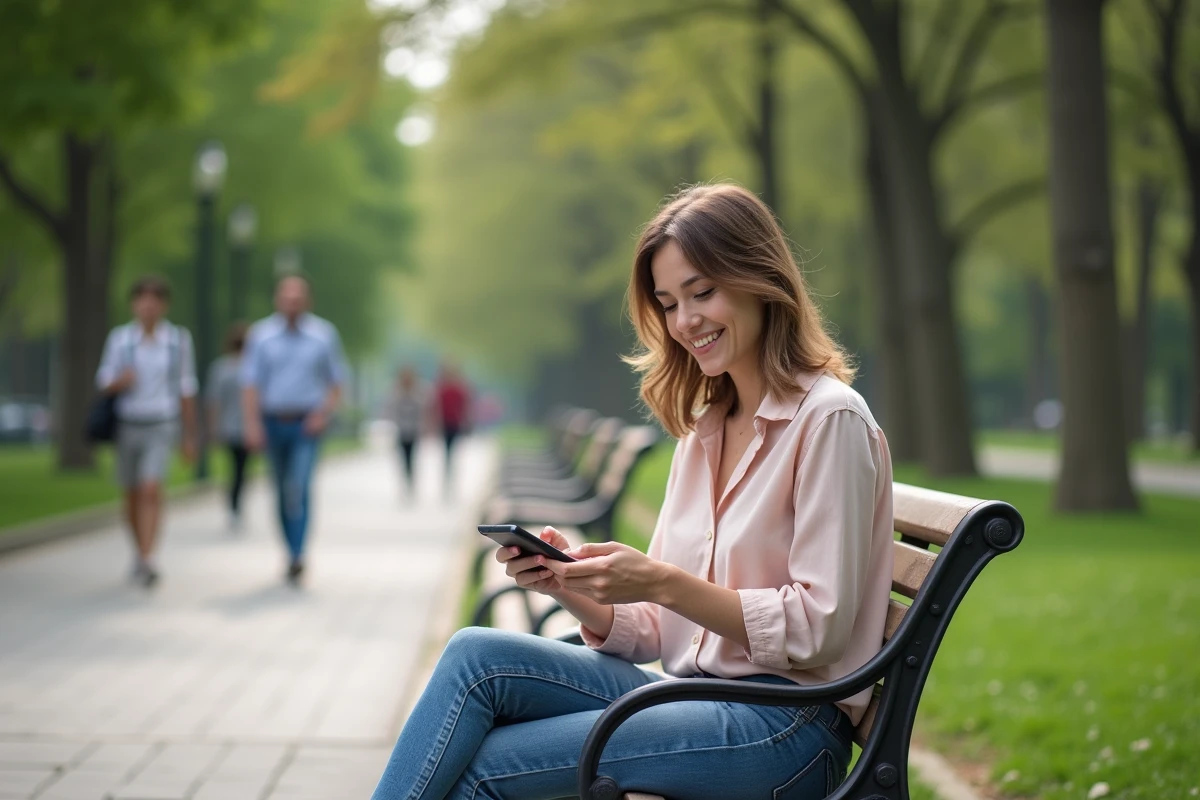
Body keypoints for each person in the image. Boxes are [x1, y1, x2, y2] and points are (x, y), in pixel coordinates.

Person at [370, 184, 895, 800]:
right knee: (473, 659)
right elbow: (659, 630)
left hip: (784, 726)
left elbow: (818, 629)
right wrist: (570, 585)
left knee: (483, 767)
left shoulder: (830, 420)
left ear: (759, 278)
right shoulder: (706, 430)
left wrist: (659, 581)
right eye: (670, 303)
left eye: (703, 292)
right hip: (697, 697)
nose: (686, 321)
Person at [241, 275, 347, 585]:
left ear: (307, 301)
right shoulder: (260, 336)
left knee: (298, 488)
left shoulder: (323, 335)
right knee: (279, 490)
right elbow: (250, 385)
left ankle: (299, 554)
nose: (292, 304)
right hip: (273, 422)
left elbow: (336, 383)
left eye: (297, 298)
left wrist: (322, 413)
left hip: (306, 424)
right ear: (277, 300)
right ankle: (289, 550)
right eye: (286, 298)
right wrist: (252, 424)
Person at [95, 276, 198, 588]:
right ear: (134, 304)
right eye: (142, 299)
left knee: (152, 489)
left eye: (155, 300)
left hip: (161, 422)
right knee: (131, 494)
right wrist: (120, 382)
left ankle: (148, 557)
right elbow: (103, 381)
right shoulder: (121, 340)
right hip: (128, 423)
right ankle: (138, 551)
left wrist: (189, 434)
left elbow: (186, 386)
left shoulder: (177, 341)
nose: (148, 306)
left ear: (164, 305)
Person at [207, 322, 251, 531]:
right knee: (242, 469)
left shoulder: (221, 367)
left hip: (231, 426)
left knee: (235, 469)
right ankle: (235, 505)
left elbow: (214, 401)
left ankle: (234, 505)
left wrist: (214, 426)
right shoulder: (251, 367)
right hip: (244, 427)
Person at [385, 365, 428, 502]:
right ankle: (404, 484)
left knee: (412, 459)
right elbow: (391, 409)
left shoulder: (418, 392)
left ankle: (411, 484)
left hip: (414, 431)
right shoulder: (396, 391)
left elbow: (423, 410)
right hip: (401, 431)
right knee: (403, 459)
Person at [433, 362, 470, 497]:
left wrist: (466, 421)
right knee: (446, 453)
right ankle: (447, 480)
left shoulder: (460, 388)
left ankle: (451, 481)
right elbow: (436, 407)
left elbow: (464, 407)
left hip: (456, 424)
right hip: (444, 424)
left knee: (453, 453)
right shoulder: (440, 387)